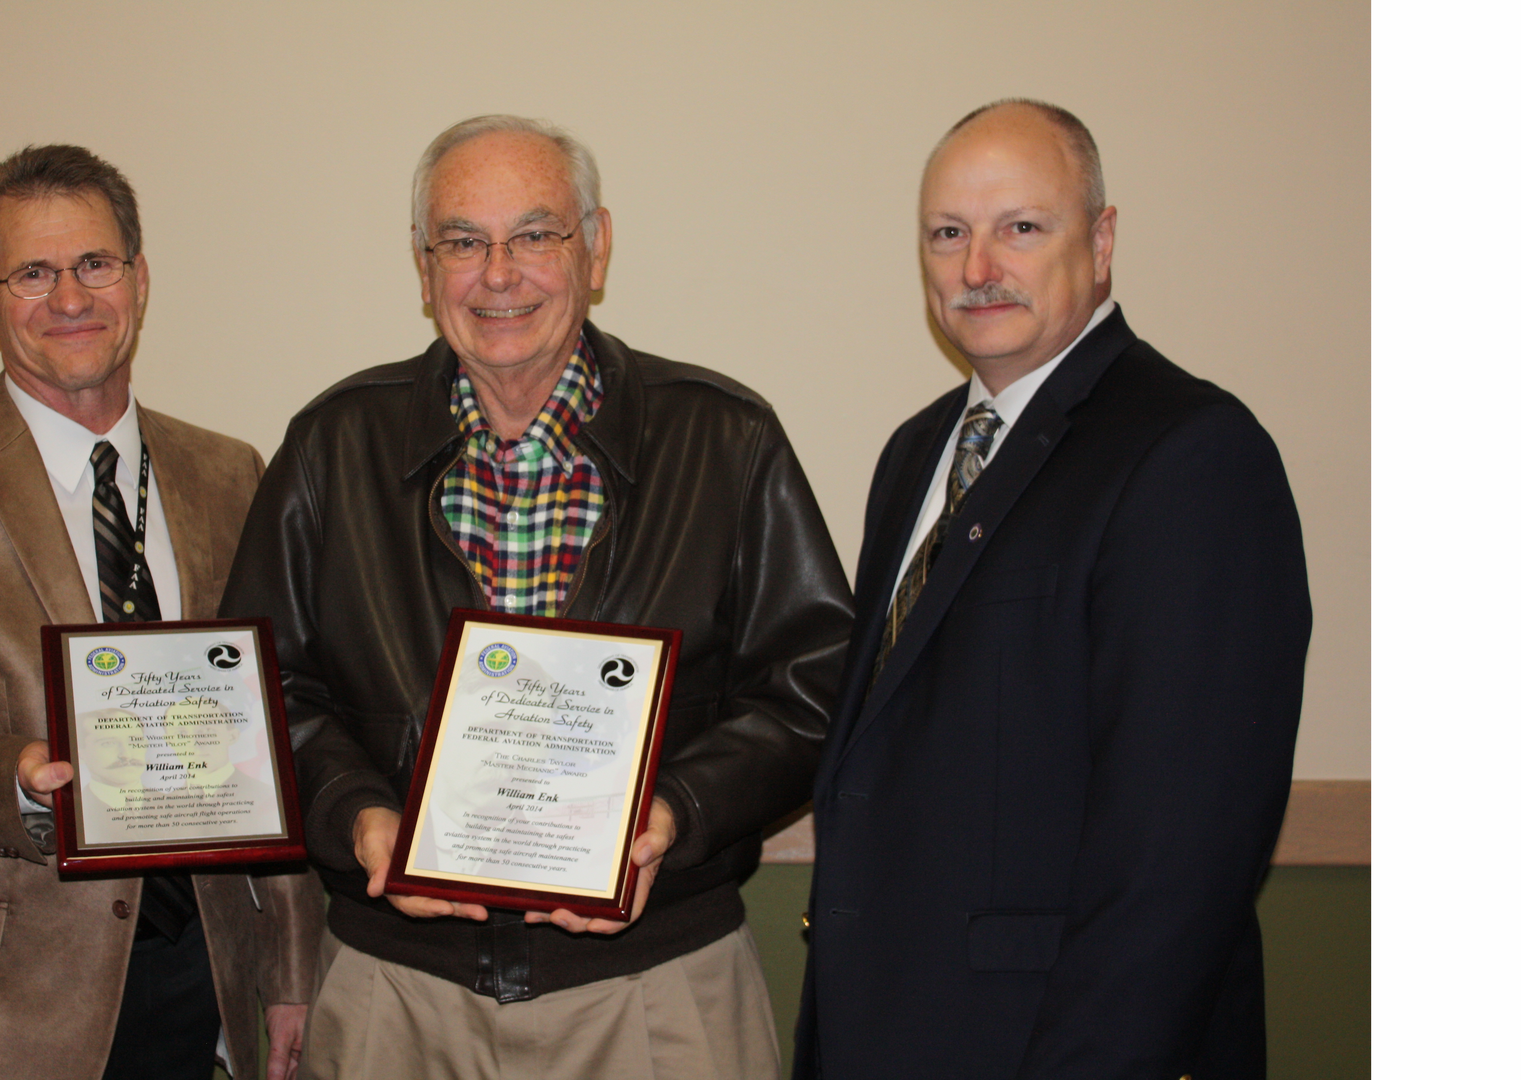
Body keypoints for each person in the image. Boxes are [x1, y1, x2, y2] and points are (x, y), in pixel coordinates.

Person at [221, 114, 853, 1080]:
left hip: (658, 989)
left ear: (595, 249)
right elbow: (261, 696)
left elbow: (812, 689)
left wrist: (675, 813)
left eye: (536, 235)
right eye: (463, 242)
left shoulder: (725, 440)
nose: (499, 273)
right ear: (425, 269)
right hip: (398, 992)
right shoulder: (332, 446)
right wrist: (358, 814)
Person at [796, 100, 1313, 1079]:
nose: (977, 267)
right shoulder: (916, 454)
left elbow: (1177, 865)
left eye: (1020, 228)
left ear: (1103, 239)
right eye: (948, 234)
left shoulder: (1189, 456)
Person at [0, 144, 323, 1080]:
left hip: (202, 984)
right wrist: (13, 777)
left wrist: (288, 966)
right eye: (32, 273)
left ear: (139, 279)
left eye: (94, 265)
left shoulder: (230, 472)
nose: (71, 299)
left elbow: (271, 735)